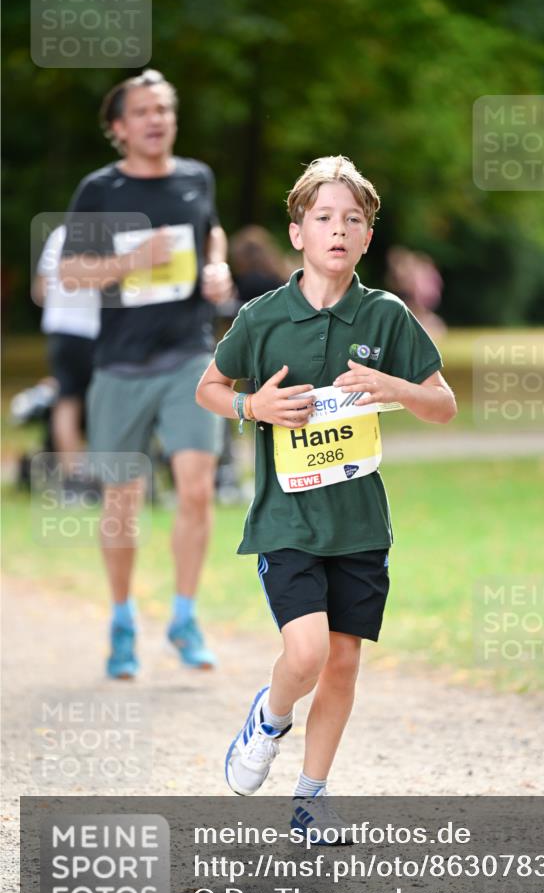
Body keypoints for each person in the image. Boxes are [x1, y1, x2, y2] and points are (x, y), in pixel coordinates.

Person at [196, 155, 457, 830]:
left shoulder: (386, 315)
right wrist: (255, 408)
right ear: (297, 233)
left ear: (367, 237)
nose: (338, 230)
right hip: (285, 519)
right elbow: (208, 389)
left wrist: (395, 388)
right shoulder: (262, 317)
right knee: (306, 653)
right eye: (323, 218)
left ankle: (311, 797)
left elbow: (442, 404)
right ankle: (268, 717)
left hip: (359, 523)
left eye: (353, 219)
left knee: (341, 663)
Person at [60, 69, 232, 679]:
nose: (156, 119)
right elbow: (70, 274)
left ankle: (184, 616)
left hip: (188, 355)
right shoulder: (99, 190)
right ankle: (123, 619)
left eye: (164, 108)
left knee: (195, 486)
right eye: (142, 111)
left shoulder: (195, 178)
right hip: (120, 366)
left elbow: (212, 233)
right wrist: (131, 260)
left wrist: (217, 269)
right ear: (118, 128)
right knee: (122, 502)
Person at [32, 224, 100, 488]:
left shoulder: (60, 234)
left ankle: (73, 479)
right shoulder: (115, 236)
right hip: (96, 330)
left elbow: (41, 289)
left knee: (66, 401)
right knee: (101, 402)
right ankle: (100, 475)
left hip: (62, 329)